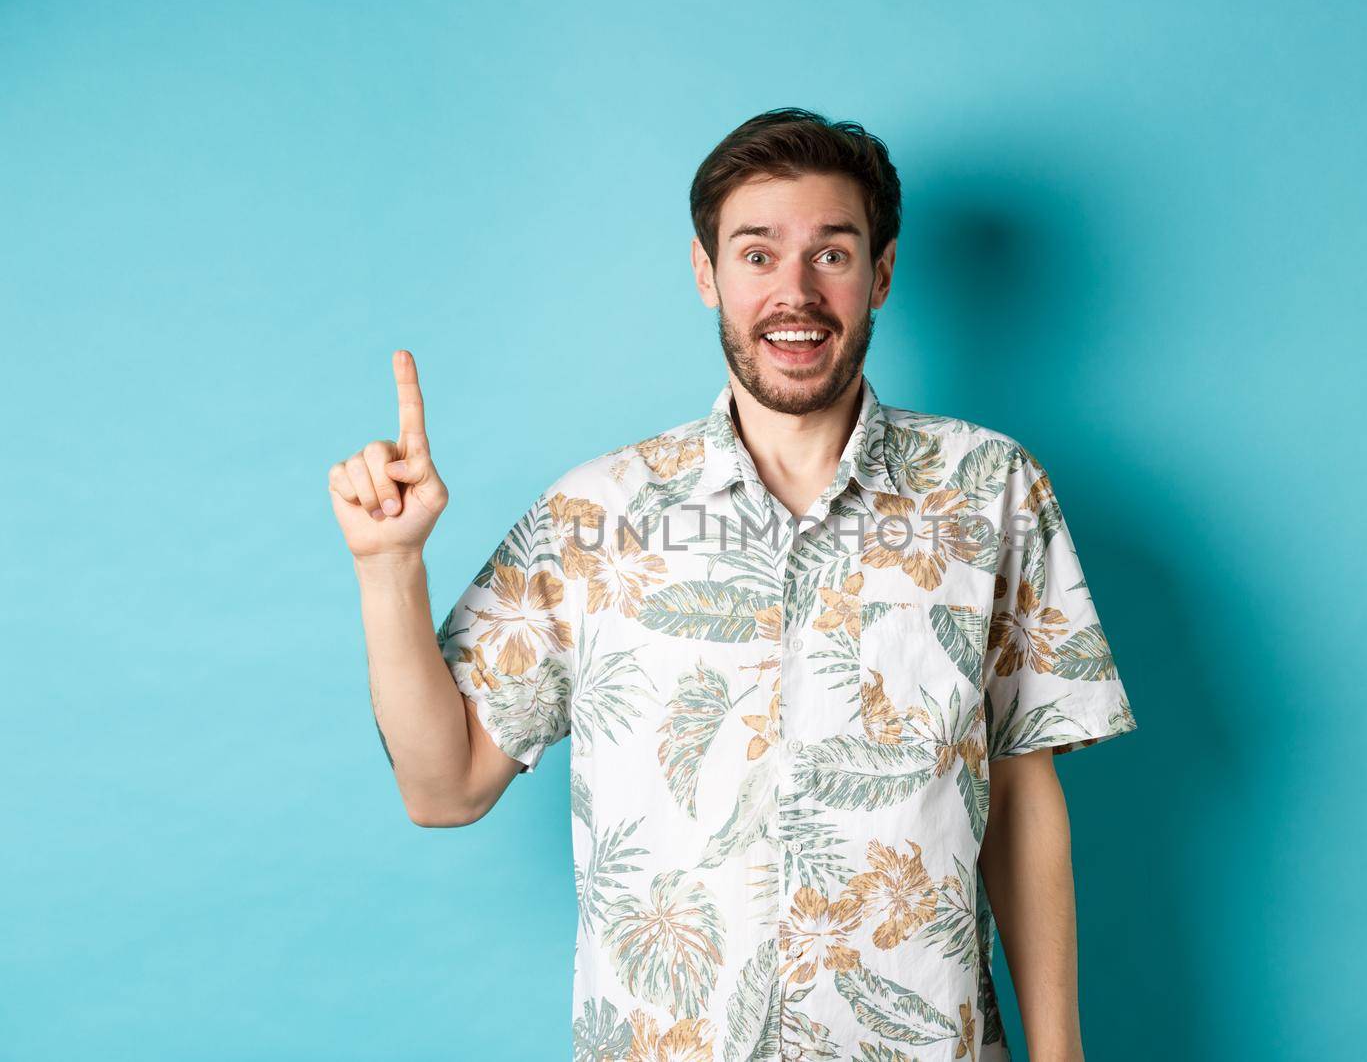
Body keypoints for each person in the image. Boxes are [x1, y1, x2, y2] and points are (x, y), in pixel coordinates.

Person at [329, 107, 1136, 1062]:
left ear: (879, 274)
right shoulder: (596, 515)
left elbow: (1021, 787)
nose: (795, 292)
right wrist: (389, 569)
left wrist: (1061, 1053)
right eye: (757, 255)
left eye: (831, 254)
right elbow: (444, 786)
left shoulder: (990, 489)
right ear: (707, 273)